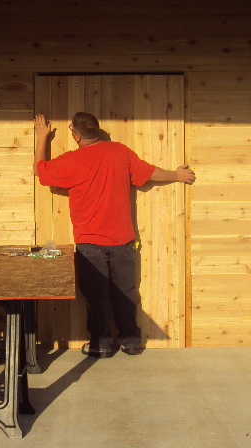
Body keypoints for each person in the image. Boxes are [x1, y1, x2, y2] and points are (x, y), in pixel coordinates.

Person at [33, 112, 195, 358]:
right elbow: (149, 173)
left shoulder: (72, 161)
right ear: (96, 131)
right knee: (125, 292)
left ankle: (101, 344)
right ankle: (130, 341)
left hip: (90, 243)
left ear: (76, 136)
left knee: (96, 296)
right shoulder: (120, 152)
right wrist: (176, 174)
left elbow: (40, 171)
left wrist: (42, 137)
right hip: (123, 240)